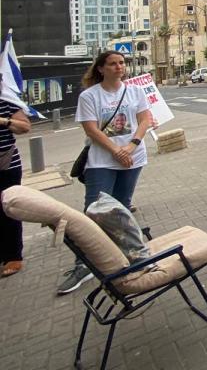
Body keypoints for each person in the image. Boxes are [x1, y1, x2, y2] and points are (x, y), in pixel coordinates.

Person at [59, 51, 153, 295]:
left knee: (121, 208)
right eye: (112, 64)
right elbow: (91, 129)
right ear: (101, 68)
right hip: (103, 160)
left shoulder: (134, 91)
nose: (119, 67)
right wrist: (115, 150)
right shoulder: (90, 96)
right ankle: (83, 264)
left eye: (121, 63)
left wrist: (130, 146)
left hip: (133, 157)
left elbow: (145, 119)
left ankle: (123, 255)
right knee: (93, 211)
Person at [0, 93, 31, 278]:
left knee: (7, 209)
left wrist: (3, 121)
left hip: (5, 164)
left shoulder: (6, 100)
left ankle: (12, 255)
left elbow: (24, 126)